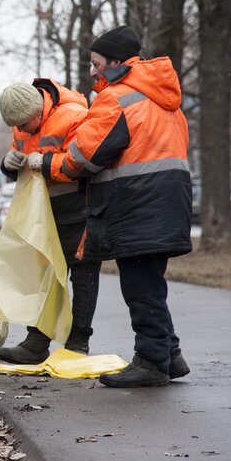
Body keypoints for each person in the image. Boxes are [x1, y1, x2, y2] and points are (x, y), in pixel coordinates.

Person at [32, 25, 192, 387]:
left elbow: (82, 159)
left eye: (96, 62)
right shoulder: (162, 98)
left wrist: (44, 164)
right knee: (150, 279)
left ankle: (151, 362)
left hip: (136, 202)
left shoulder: (116, 98)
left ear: (116, 62)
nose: (92, 71)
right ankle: (170, 354)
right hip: (167, 200)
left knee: (139, 284)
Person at [0, 80, 102, 364]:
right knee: (44, 275)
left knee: (82, 273)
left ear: (39, 111)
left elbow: (81, 164)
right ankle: (36, 341)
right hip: (41, 211)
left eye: (26, 124)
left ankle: (78, 342)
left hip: (79, 206)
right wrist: (8, 163)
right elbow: (16, 165)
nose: (24, 131)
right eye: (17, 127)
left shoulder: (74, 116)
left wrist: (42, 162)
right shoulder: (21, 121)